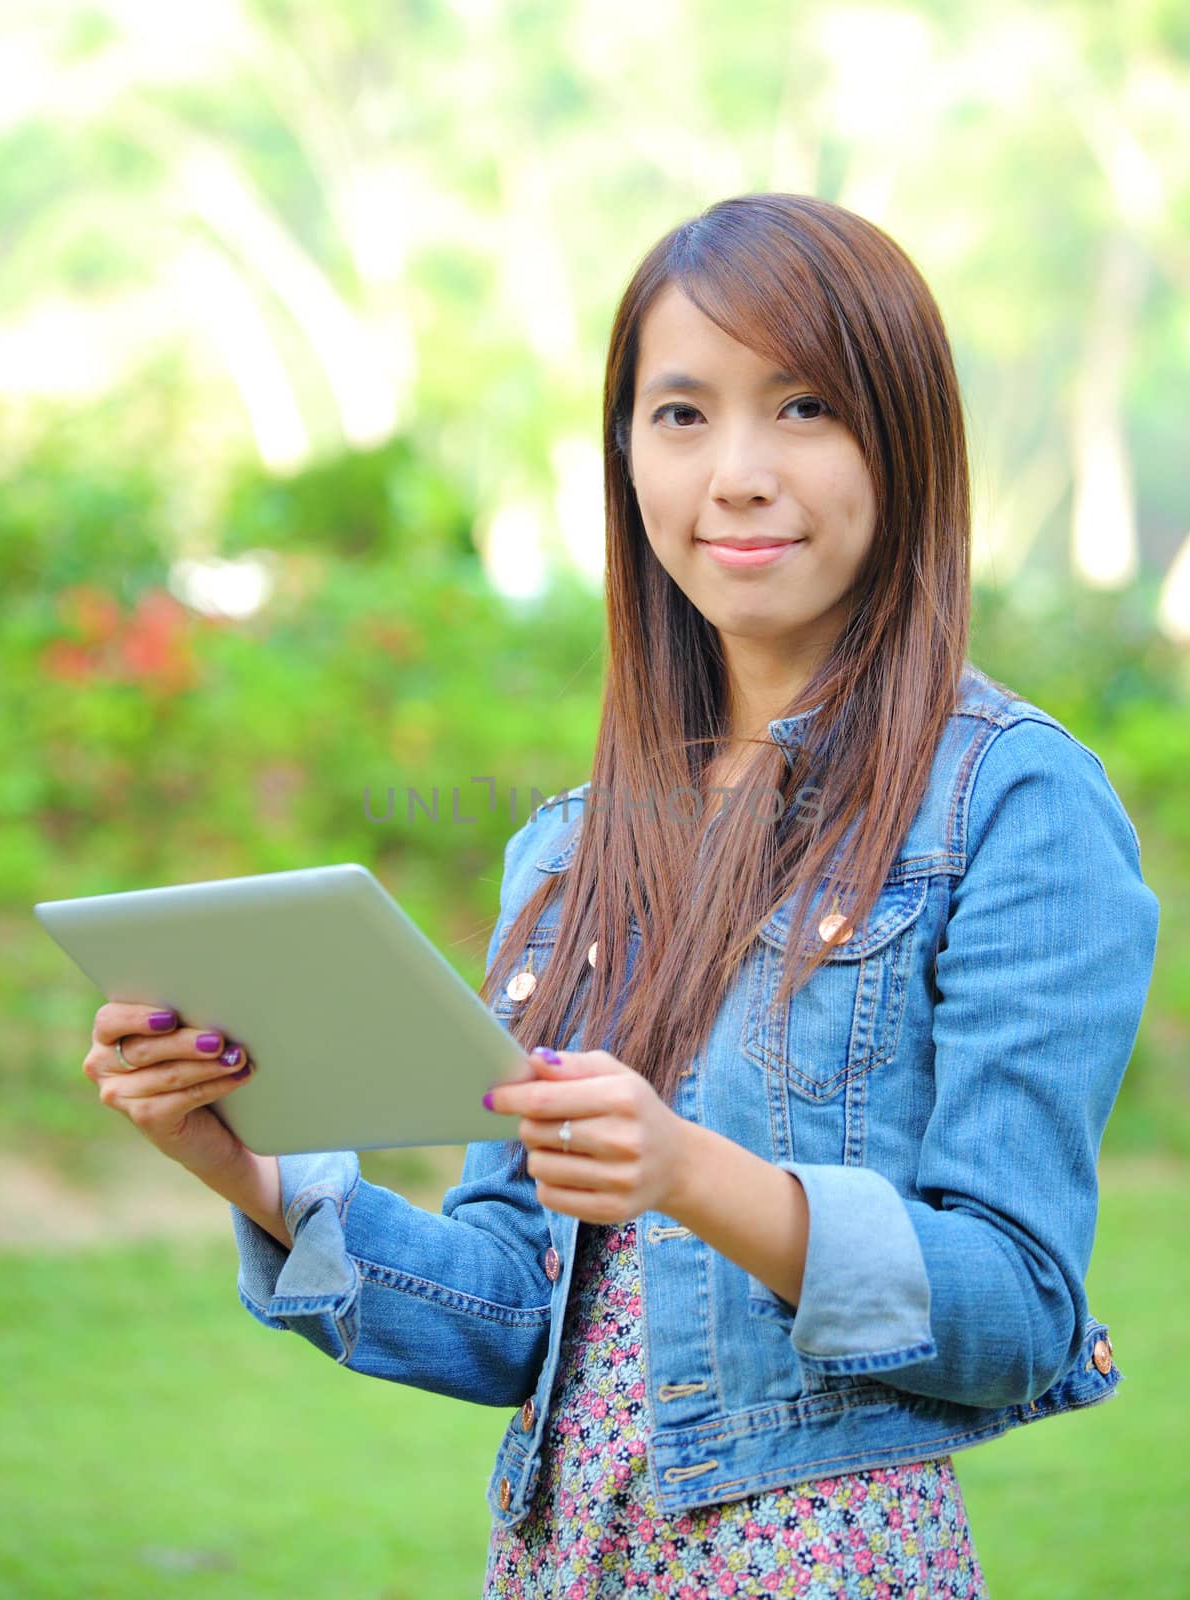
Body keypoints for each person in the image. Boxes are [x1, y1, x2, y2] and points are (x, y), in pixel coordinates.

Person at [83, 192, 1160, 1599]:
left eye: (804, 407)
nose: (737, 475)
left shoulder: (1013, 805)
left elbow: (1015, 1308)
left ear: (904, 443)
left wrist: (690, 1175)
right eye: (681, 414)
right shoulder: (569, 850)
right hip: (558, 1559)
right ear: (625, 456)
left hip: (818, 1564)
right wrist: (253, 1173)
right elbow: (507, 1315)